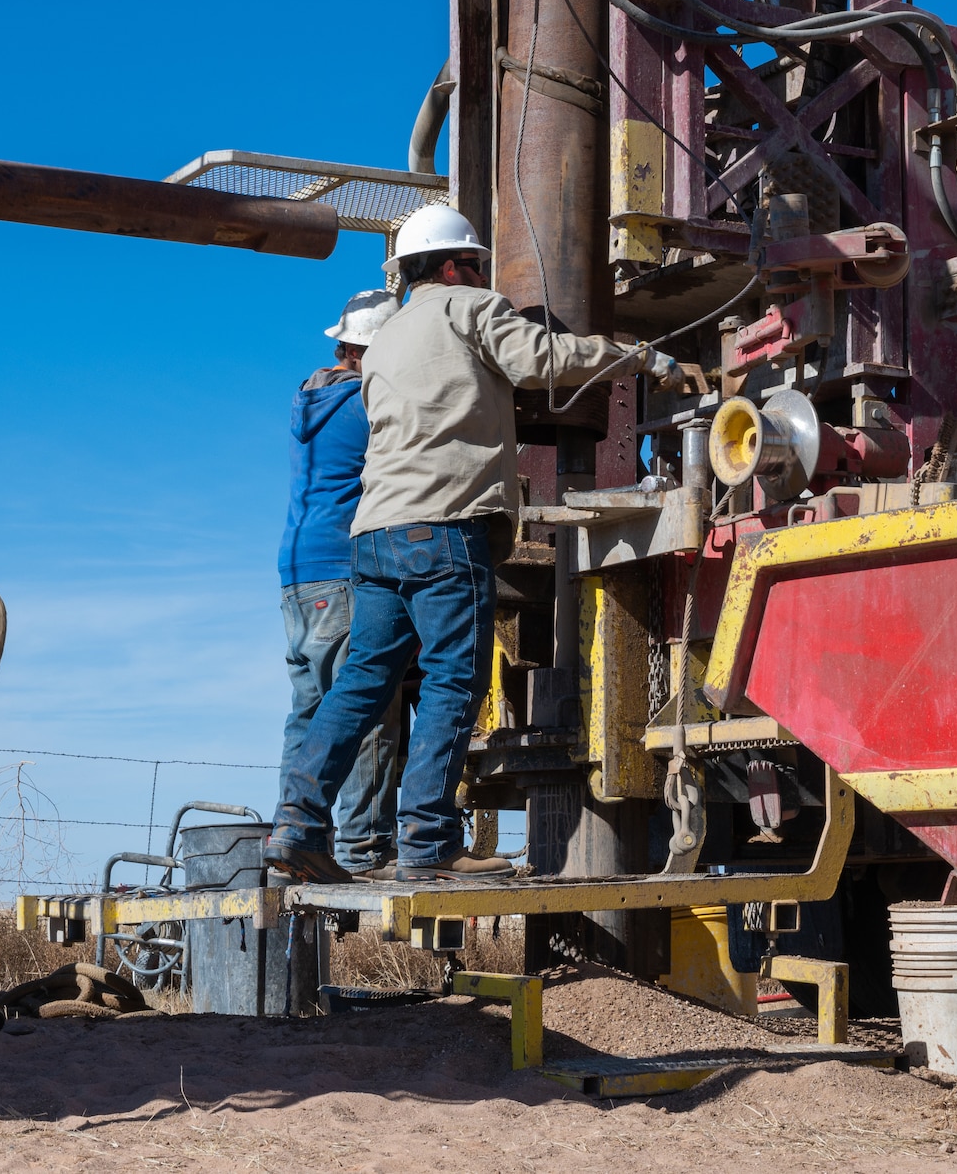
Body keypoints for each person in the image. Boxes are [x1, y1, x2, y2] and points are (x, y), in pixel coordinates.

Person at [264, 205, 695, 884]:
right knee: (452, 684)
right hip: (446, 528)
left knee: (359, 685)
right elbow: (542, 359)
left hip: (374, 539)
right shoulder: (470, 307)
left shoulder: (388, 339)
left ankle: (296, 824)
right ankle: (429, 842)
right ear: (450, 266)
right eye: (475, 263)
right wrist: (638, 356)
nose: (483, 273)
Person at [279, 287, 404, 878]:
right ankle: (365, 847)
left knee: (309, 708)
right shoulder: (365, 405)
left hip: (297, 572)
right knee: (369, 702)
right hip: (342, 567)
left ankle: (295, 837)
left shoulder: (314, 400)